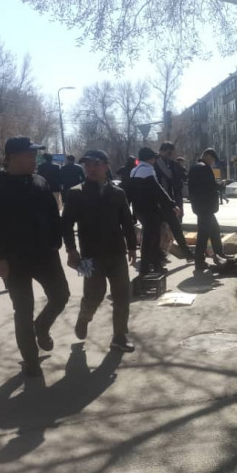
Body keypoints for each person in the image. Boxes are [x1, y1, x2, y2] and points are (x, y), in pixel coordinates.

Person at [0, 137, 70, 377]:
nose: (34, 160)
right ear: (11, 157)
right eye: (29, 155)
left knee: (61, 296)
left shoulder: (40, 182)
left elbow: (53, 215)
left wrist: (56, 242)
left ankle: (41, 326)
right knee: (23, 310)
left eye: (34, 155)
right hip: (13, 260)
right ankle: (31, 360)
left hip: (45, 255)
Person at [62, 150, 136, 353]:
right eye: (87, 165)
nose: (91, 168)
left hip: (117, 253)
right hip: (90, 256)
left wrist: (132, 246)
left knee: (121, 296)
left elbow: (126, 222)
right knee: (94, 295)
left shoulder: (118, 193)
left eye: (96, 164)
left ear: (106, 166)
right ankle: (84, 317)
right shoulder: (76, 193)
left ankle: (119, 336)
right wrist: (71, 250)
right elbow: (66, 225)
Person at [188, 148, 227, 274]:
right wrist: (221, 185)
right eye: (213, 159)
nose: (213, 162)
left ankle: (219, 254)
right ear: (208, 156)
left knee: (214, 231)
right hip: (205, 207)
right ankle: (199, 262)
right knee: (203, 235)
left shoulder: (194, 167)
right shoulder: (204, 168)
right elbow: (210, 186)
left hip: (200, 207)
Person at [156, 142, 186, 219]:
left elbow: (183, 176)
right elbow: (168, 175)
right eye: (169, 153)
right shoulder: (157, 162)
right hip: (164, 198)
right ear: (161, 151)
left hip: (175, 197)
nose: (171, 155)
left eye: (172, 153)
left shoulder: (173, 164)